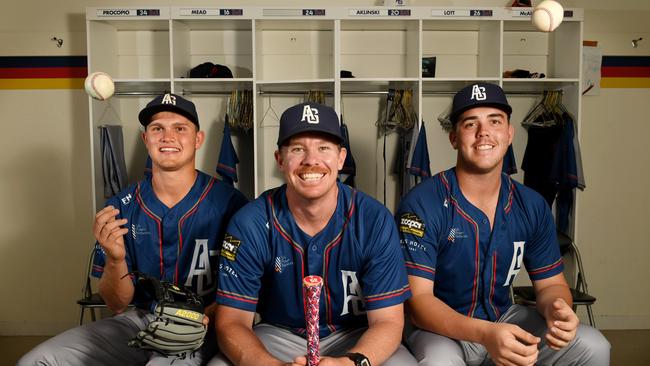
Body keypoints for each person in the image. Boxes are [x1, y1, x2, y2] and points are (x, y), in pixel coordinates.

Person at [19, 93, 248, 366]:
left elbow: (244, 289)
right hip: (141, 319)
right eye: (157, 129)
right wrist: (115, 259)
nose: (167, 137)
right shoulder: (120, 206)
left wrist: (213, 314)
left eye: (180, 128)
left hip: (203, 322)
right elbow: (116, 304)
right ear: (145, 139)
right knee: (37, 360)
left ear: (198, 139)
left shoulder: (231, 203)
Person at [396, 83, 610, 366]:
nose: (483, 132)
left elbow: (550, 286)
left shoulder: (531, 204)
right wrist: (487, 334)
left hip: (503, 317)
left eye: (494, 121)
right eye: (470, 123)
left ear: (509, 134)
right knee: (439, 362)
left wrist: (558, 310)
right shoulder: (422, 202)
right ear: (454, 138)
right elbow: (418, 303)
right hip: (439, 328)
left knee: (593, 345)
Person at [208, 102, 416, 366]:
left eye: (323, 148)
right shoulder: (250, 222)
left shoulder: (373, 219)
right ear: (280, 160)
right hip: (277, 334)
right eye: (297, 149)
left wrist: (349, 363)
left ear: (341, 158)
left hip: (356, 334)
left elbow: (388, 322)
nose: (311, 160)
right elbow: (232, 323)